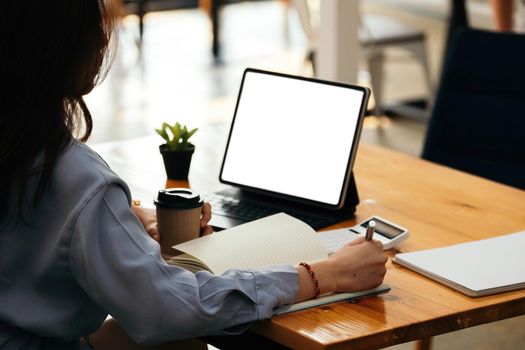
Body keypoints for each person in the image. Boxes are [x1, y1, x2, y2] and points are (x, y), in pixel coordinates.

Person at [0, 1, 387, 349]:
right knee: (180, 341)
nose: (104, 40)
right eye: (95, 27)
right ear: (58, 51)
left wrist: (127, 218)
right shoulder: (77, 178)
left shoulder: (25, 151)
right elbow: (167, 307)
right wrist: (322, 275)